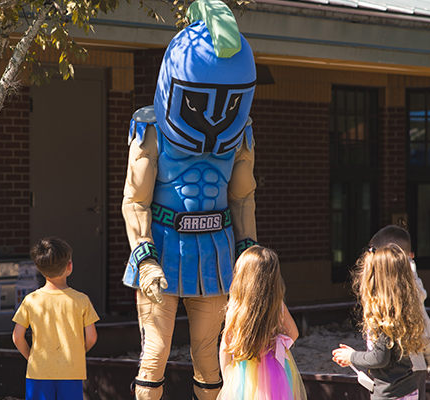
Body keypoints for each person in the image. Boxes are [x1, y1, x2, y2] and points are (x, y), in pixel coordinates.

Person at [120, 0, 259, 398]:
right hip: (162, 247)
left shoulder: (241, 135)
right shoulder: (150, 131)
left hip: (216, 251)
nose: (216, 116)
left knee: (209, 355)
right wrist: (143, 256)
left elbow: (243, 199)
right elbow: (135, 199)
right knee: (154, 353)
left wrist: (247, 250)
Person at [332, 244, 428, 400]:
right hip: (408, 389)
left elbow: (379, 358)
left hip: (390, 393)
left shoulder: (383, 314)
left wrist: (352, 356)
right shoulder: (399, 307)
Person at [11, 237, 100, 400]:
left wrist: (31, 357)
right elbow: (92, 337)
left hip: (38, 371)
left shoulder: (31, 300)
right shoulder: (82, 300)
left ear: (39, 268)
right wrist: (78, 352)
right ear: (70, 266)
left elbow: (17, 337)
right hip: (72, 371)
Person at [217, 246, 306, 400]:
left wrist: (227, 380)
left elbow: (225, 346)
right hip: (275, 369)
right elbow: (294, 333)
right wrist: (277, 345)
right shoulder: (277, 305)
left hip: (243, 370)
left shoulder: (235, 306)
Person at [368, 225, 430, 400]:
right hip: (411, 363)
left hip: (400, 367)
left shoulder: (393, 288)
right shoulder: (412, 284)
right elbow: (424, 324)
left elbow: (422, 322)